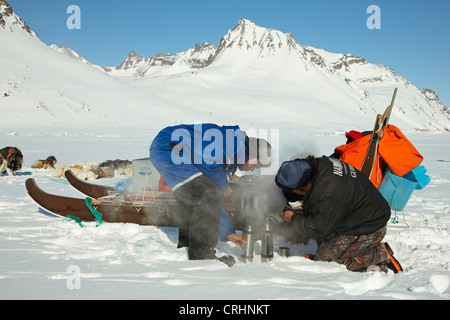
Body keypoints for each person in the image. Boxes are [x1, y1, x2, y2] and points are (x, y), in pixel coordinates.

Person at [150, 123, 271, 266]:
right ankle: (202, 255)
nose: (252, 169)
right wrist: (223, 185)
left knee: (196, 196)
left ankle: (187, 245)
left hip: (170, 151)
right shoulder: (234, 141)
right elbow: (205, 158)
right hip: (170, 150)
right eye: (257, 165)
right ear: (254, 154)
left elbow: (214, 204)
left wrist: (227, 232)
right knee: (208, 194)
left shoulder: (229, 157)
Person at [274, 155, 403, 273]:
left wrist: (293, 218)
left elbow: (318, 228)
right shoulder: (318, 165)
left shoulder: (327, 194)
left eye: (294, 190)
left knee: (326, 264)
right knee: (316, 223)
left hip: (369, 226)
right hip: (356, 212)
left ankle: (378, 255)